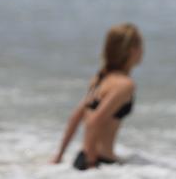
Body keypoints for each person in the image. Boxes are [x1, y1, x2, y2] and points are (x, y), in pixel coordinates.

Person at [51, 23, 144, 170]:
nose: (142, 52)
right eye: (141, 47)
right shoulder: (125, 85)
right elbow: (94, 121)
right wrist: (91, 163)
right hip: (101, 162)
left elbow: (75, 117)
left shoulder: (101, 78)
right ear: (132, 51)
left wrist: (59, 155)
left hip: (85, 157)